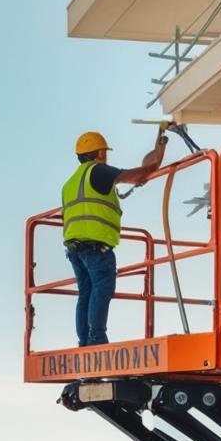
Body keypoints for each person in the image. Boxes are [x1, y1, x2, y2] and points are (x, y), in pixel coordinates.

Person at [61, 128, 169, 347]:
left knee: (86, 293)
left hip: (75, 248)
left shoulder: (71, 182)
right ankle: (97, 338)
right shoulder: (99, 171)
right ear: (100, 153)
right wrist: (161, 145)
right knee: (102, 288)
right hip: (96, 248)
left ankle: (85, 341)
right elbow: (142, 172)